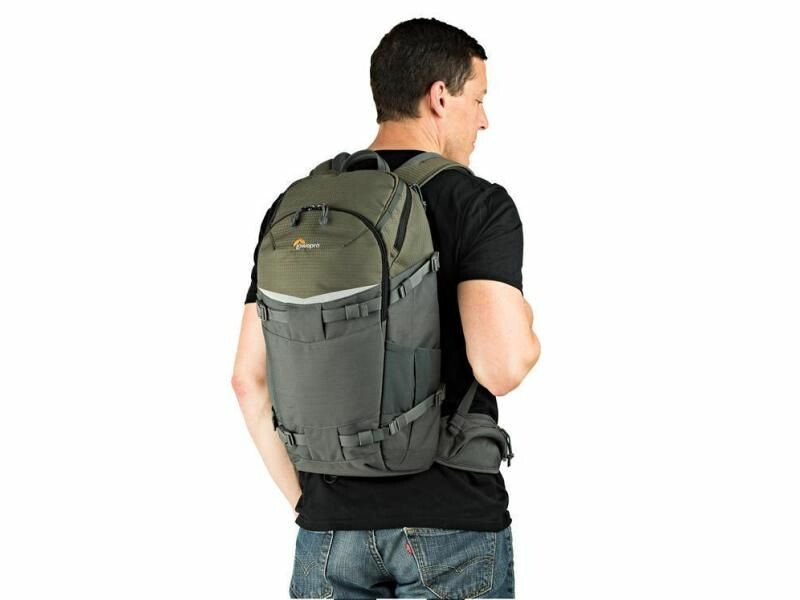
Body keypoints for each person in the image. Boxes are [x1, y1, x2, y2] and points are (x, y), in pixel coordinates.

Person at [231, 17, 540, 599]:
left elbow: (248, 380)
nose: (484, 120)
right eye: (478, 99)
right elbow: (502, 366)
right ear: (440, 96)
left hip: (328, 529)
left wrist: (311, 505)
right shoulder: (477, 203)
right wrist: (526, 324)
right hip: (450, 521)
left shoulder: (298, 207)